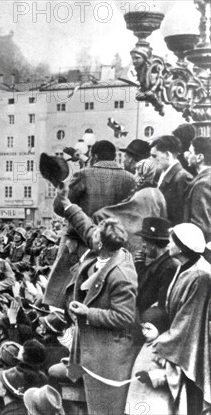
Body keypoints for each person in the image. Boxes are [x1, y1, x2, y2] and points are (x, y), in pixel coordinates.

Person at [54, 186, 138, 415]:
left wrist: (87, 313)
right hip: (89, 351)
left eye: (96, 236)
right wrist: (66, 203)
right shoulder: (106, 250)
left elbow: (124, 316)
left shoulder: (121, 274)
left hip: (107, 362)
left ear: (100, 244)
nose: (92, 236)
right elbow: (85, 226)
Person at [45, 140, 136, 308]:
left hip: (80, 242)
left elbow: (60, 207)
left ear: (94, 156)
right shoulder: (130, 179)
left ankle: (59, 319)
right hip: (115, 245)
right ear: (114, 156)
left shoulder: (84, 174)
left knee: (63, 291)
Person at [153, 223, 211, 414]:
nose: (168, 244)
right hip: (182, 343)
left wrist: (160, 342)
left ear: (181, 246)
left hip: (193, 348)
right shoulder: (184, 268)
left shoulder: (200, 276)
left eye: (172, 241)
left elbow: (189, 323)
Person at [133, 217, 179, 316]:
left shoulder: (168, 267)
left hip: (152, 321)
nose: (142, 245)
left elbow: (162, 305)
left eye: (144, 241)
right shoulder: (159, 263)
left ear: (153, 244)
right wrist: (140, 266)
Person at [151, 135, 192, 226]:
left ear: (167, 155)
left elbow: (183, 217)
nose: (151, 160)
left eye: (154, 156)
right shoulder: (159, 173)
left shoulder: (183, 178)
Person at [183, 136, 211, 241]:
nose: (186, 155)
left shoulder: (202, 184)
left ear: (199, 157)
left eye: (190, 152)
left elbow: (200, 226)